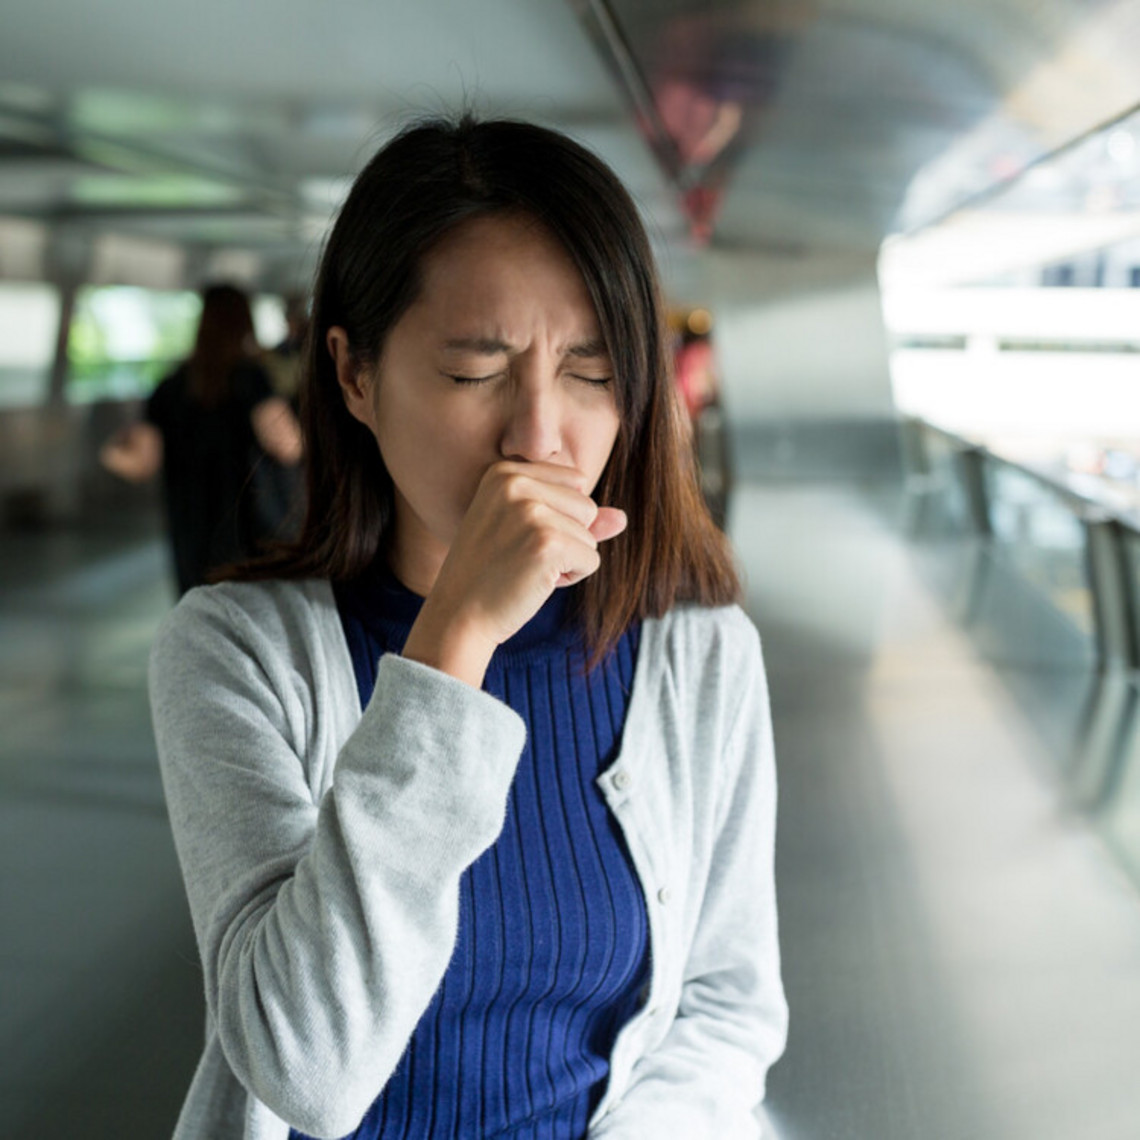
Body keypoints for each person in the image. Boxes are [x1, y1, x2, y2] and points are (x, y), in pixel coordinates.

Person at [149, 116, 787, 1140]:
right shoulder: (235, 655)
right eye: (474, 372)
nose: (539, 435)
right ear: (354, 375)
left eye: (590, 371)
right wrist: (455, 647)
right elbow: (303, 1068)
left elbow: (726, 1007)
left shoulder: (699, 655)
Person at [100, 283, 303, 594]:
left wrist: (110, 451)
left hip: (192, 534)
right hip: (251, 532)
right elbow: (288, 446)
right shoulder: (252, 379)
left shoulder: (170, 387)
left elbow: (140, 464)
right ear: (244, 322)